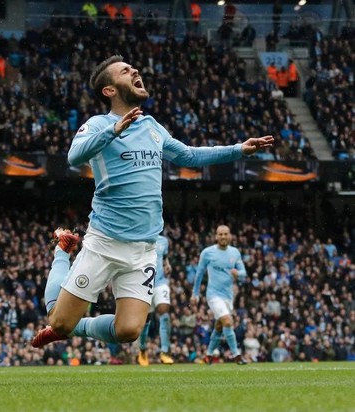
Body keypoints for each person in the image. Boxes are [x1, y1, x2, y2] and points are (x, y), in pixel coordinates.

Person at [32, 55, 273, 349]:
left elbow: (189, 156)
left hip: (144, 248)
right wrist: (113, 131)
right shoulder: (98, 124)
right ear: (109, 90)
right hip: (105, 241)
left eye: (133, 68)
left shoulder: (151, 126)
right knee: (58, 321)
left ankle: (76, 327)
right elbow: (74, 157)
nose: (134, 70)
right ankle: (62, 251)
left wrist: (238, 149)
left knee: (128, 331)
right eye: (125, 71)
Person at [190, 225, 248, 365]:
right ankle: (236, 355)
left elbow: (244, 274)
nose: (223, 237)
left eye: (225, 234)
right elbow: (199, 274)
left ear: (230, 236)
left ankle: (208, 356)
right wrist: (195, 294)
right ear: (216, 236)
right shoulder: (207, 252)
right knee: (227, 321)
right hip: (213, 294)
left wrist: (238, 274)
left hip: (228, 296)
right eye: (220, 234)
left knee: (220, 326)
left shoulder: (235, 253)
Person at [137, 234, 173, 366]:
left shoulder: (164, 241)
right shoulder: (137, 238)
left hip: (160, 282)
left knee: (164, 311)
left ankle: (165, 352)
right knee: (145, 319)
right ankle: (142, 350)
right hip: (143, 284)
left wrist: (167, 265)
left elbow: (165, 258)